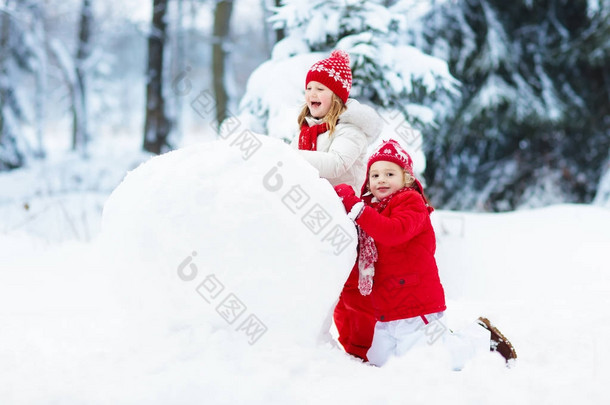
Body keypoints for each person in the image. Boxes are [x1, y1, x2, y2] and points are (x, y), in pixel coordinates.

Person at [333, 139, 517, 368]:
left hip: (415, 302)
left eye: (390, 174)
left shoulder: (410, 202)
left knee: (429, 361)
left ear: (406, 178)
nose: (381, 179)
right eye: (375, 175)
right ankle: (448, 341)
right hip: (386, 309)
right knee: (379, 359)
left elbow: (393, 232)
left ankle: (480, 339)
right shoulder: (372, 209)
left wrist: (356, 208)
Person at [291, 50, 382, 195]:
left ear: (337, 97)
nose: (312, 93)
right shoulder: (308, 129)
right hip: (316, 200)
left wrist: (291, 155)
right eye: (309, 88)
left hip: (345, 207)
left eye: (320, 89)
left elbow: (336, 164)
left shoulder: (351, 129)